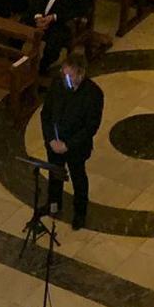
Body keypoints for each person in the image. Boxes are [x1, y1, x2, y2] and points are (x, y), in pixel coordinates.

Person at [41, 53, 104, 227]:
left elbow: (91, 127)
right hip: (55, 143)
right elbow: (46, 114)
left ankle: (80, 213)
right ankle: (54, 204)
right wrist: (51, 139)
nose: (65, 78)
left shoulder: (93, 94)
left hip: (76, 147)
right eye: (64, 73)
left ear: (80, 74)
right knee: (55, 174)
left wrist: (68, 145)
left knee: (78, 178)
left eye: (69, 75)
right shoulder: (57, 85)